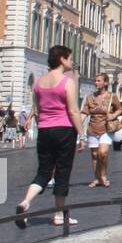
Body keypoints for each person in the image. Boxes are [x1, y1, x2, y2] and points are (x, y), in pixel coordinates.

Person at [14, 45, 86, 228]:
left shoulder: (38, 82)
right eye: (69, 58)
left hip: (45, 131)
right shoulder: (66, 82)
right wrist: (82, 135)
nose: (71, 62)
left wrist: (41, 125)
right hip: (64, 130)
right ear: (61, 59)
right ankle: (59, 215)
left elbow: (36, 109)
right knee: (62, 172)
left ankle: (25, 202)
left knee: (44, 172)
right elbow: (73, 110)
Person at [83, 73, 122, 188]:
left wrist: (113, 115)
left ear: (105, 83)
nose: (96, 83)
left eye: (99, 81)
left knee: (103, 153)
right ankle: (97, 178)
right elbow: (84, 113)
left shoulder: (112, 96)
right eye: (95, 81)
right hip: (92, 128)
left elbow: (119, 109)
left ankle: (103, 176)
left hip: (106, 128)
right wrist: (77, 126)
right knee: (94, 155)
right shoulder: (90, 97)